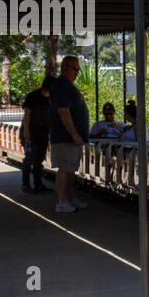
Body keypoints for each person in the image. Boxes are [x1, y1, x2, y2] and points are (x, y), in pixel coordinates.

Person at [49, 55, 90, 214]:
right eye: (74, 68)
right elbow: (63, 112)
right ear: (65, 68)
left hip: (73, 138)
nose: (77, 72)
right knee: (64, 169)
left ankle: (69, 198)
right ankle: (62, 201)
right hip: (65, 137)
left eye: (78, 68)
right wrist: (74, 134)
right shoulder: (61, 86)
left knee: (71, 168)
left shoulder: (68, 86)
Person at [20, 76, 54, 194]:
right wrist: (26, 132)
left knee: (39, 160)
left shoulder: (51, 99)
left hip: (43, 133)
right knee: (29, 159)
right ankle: (26, 185)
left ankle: (38, 184)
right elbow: (27, 114)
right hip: (31, 132)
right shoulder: (33, 96)